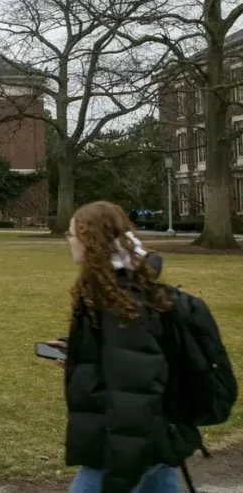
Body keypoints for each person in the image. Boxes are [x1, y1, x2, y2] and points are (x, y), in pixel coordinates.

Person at [48, 201, 199, 493]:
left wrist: (120, 471)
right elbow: (124, 357)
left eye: (72, 234)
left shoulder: (121, 303)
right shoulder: (115, 289)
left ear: (91, 240)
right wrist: (77, 351)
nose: (68, 241)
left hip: (124, 447)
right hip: (150, 440)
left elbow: (136, 388)